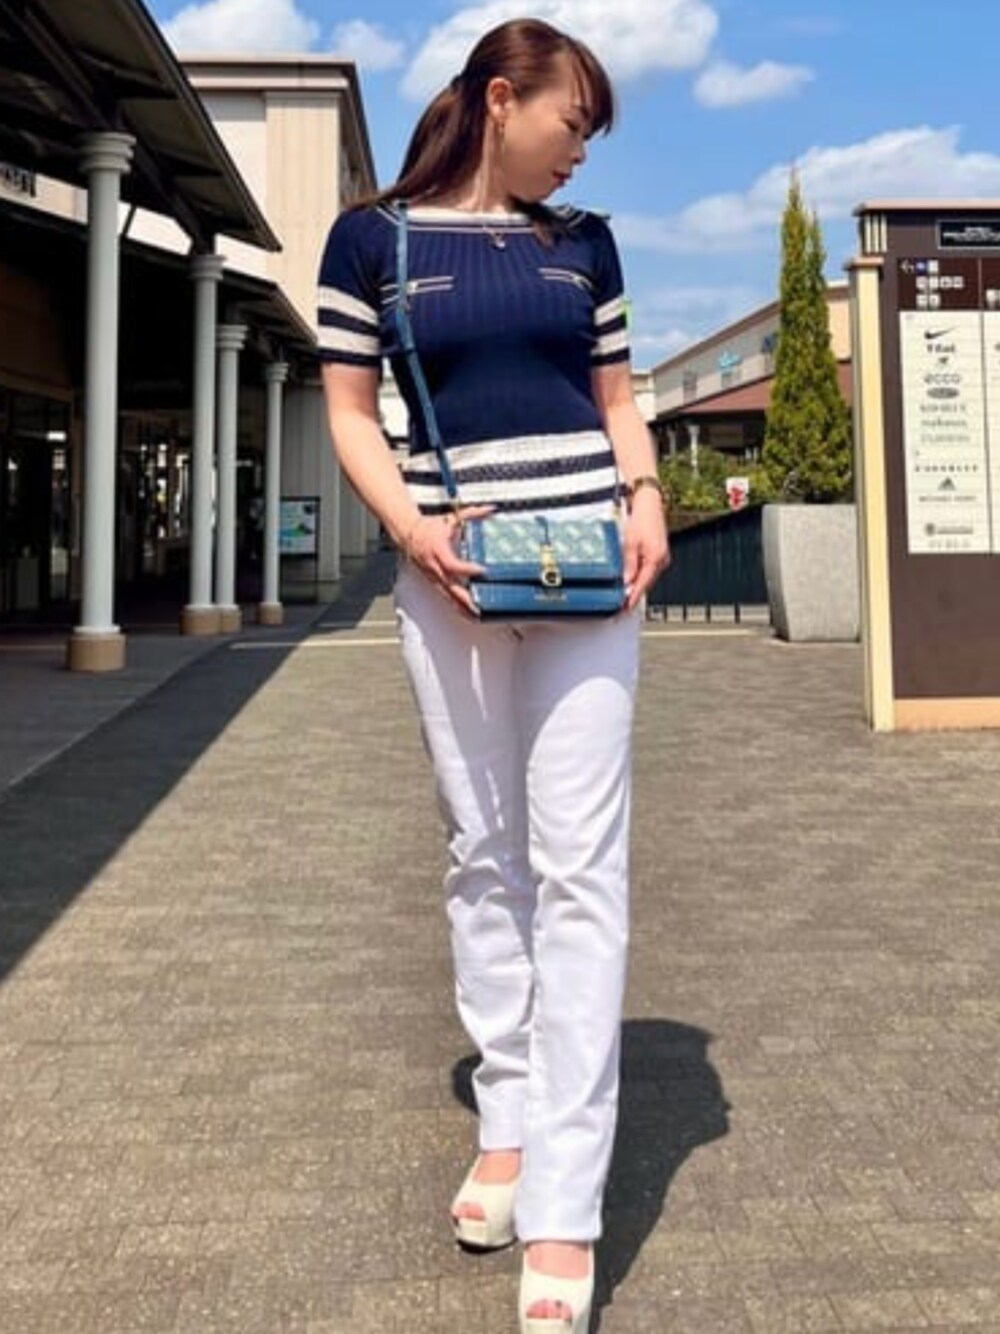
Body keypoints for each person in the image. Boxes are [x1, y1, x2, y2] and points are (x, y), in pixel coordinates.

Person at [317, 17, 669, 1332]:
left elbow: (617, 398)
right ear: (502, 100)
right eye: (573, 124)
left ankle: (566, 1202)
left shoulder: (587, 246)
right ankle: (508, 1115)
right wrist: (413, 533)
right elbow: (350, 412)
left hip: (592, 575)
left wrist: (648, 496)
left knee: (582, 870)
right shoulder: (374, 241)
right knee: (483, 851)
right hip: (450, 575)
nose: (581, 153)